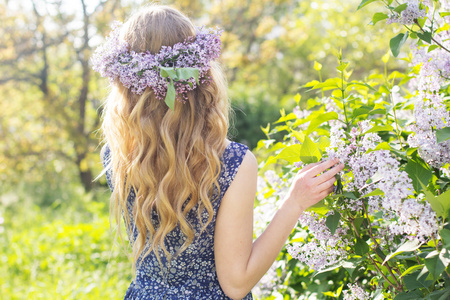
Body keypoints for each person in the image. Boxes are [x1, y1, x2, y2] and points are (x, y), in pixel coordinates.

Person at [94, 4, 344, 300]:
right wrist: (294, 203)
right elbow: (236, 284)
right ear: (201, 77)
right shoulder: (231, 163)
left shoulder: (117, 155)